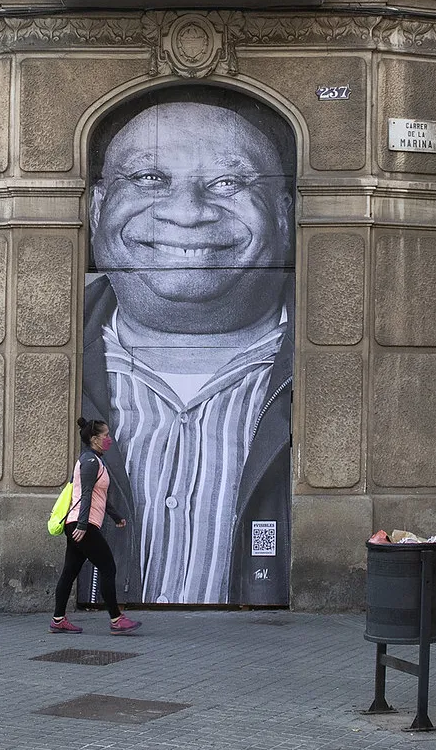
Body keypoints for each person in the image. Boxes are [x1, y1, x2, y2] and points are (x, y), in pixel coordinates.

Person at [82, 88, 294, 606]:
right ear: (97, 208)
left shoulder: (344, 363)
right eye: (150, 179)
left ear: (285, 215)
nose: (188, 212)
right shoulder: (49, 359)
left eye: (229, 182)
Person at [51, 417, 139, 635]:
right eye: (106, 436)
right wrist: (82, 525)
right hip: (83, 526)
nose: (109, 439)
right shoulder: (90, 461)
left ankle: (58, 620)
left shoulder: (94, 461)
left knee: (70, 571)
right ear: (94, 439)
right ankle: (116, 620)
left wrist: (115, 516)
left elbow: (100, 496)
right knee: (108, 567)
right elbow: (86, 494)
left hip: (81, 525)